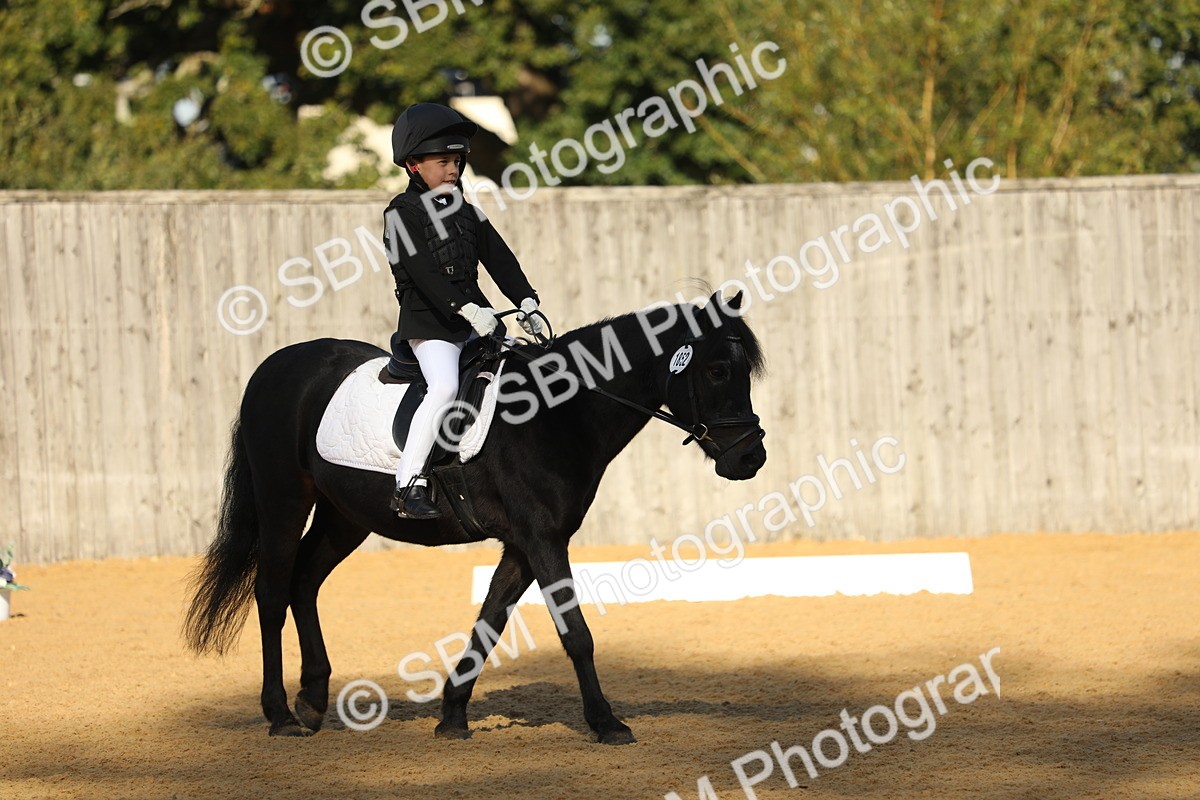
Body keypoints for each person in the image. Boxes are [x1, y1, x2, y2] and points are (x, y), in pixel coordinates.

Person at [383, 102, 545, 519]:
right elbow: (422, 274)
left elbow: (500, 259)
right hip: (431, 326)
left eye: (457, 161)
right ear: (414, 164)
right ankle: (407, 485)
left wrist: (525, 299)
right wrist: (467, 309)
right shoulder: (401, 214)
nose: (453, 169)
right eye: (443, 162)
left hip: (477, 321)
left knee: (530, 366)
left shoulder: (467, 211)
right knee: (443, 388)